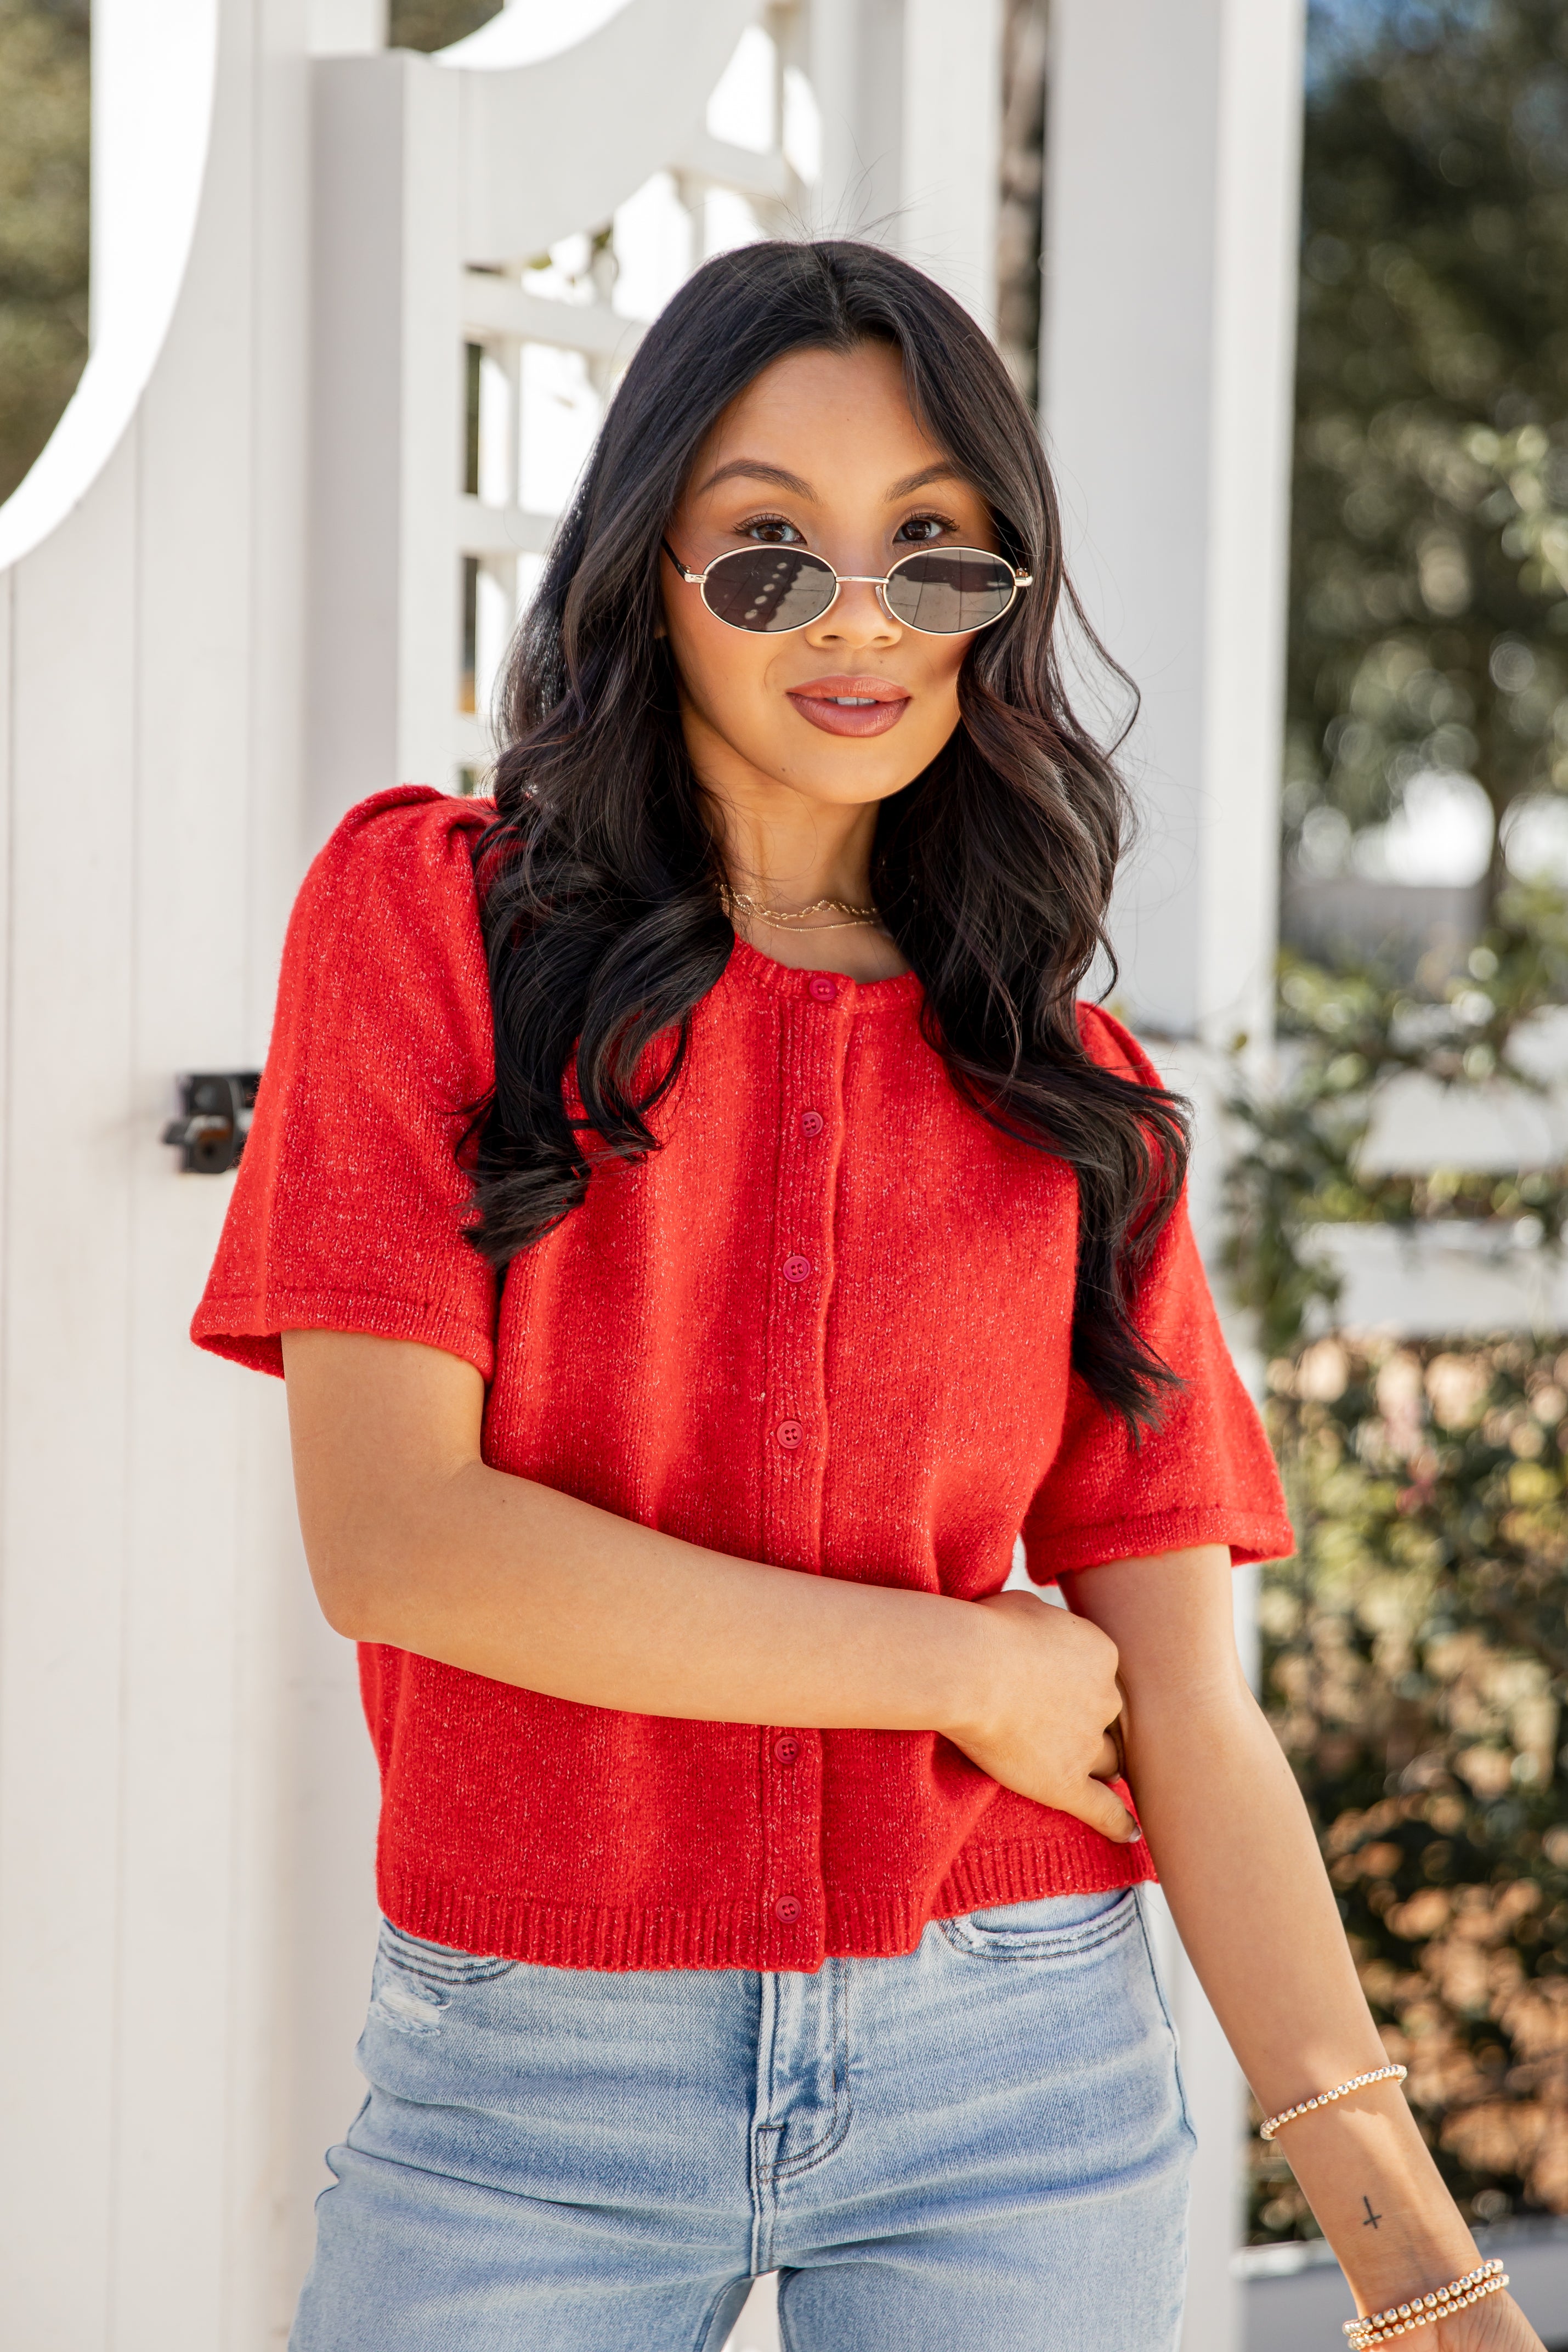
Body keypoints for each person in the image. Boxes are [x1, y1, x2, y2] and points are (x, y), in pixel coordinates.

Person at [194, 240, 1543, 2352]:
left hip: (1018, 2071)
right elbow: (398, 1542)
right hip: (531, 2086)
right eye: (767, 552)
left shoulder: (1066, 1088)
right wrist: (959, 1667)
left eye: (932, 549)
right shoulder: (427, 921)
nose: (857, 616)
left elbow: (1182, 1704)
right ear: (646, 575)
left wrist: (1414, 2258)